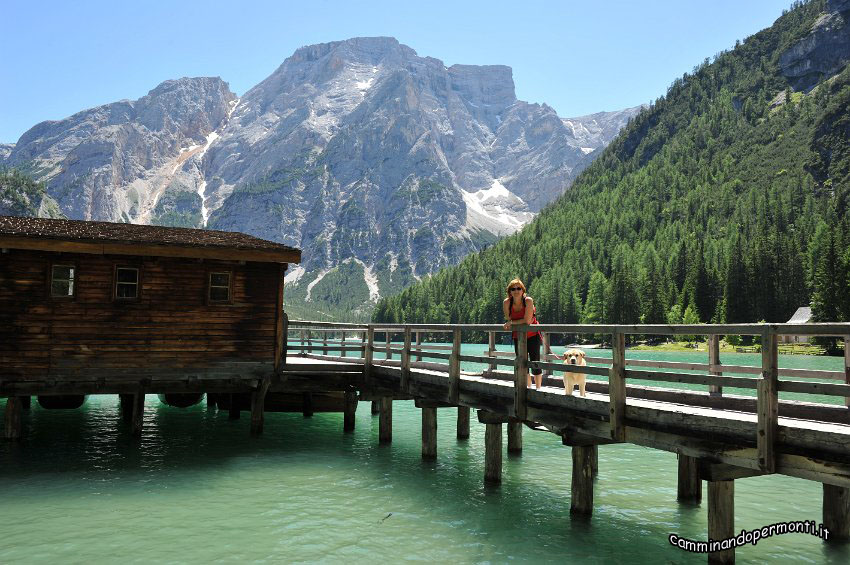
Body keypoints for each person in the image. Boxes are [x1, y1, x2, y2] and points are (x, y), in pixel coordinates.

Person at [502, 278, 543, 389]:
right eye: (513, 288)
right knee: (522, 362)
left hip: (533, 335)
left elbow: (528, 321)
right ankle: (528, 387)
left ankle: (538, 388)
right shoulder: (507, 303)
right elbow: (509, 319)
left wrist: (512, 322)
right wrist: (511, 322)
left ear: (523, 290)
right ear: (509, 291)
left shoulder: (528, 301)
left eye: (519, 288)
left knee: (535, 362)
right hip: (518, 336)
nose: (516, 291)